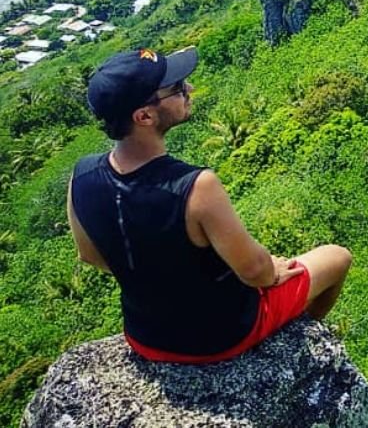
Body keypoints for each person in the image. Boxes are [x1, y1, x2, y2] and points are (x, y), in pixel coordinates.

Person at [67, 46, 352, 363]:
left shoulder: (81, 175)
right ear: (144, 116)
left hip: (144, 337)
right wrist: (272, 268)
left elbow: (90, 255)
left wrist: (159, 279)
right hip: (220, 337)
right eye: (177, 88)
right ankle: (299, 336)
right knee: (337, 257)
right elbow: (255, 272)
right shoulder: (195, 186)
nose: (188, 88)